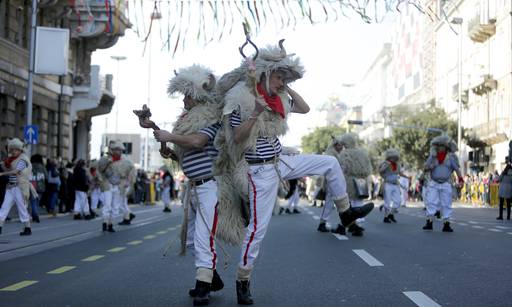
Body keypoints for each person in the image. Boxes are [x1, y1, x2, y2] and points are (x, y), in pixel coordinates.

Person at [216, 41, 373, 305]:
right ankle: (243, 280)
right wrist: (255, 113)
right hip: (257, 171)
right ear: (265, 73)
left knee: (330, 164)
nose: (282, 83)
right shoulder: (239, 99)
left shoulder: (278, 98)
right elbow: (238, 138)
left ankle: (346, 213)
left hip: (281, 159)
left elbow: (304, 108)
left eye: (285, 79)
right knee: (258, 230)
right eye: (279, 76)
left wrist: (286, 85)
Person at [152, 64, 224, 306]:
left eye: (188, 95)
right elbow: (183, 153)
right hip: (192, 188)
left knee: (204, 237)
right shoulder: (188, 124)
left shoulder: (213, 120)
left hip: (209, 187)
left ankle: (203, 286)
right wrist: (167, 146)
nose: (184, 100)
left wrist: (170, 137)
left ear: (199, 97)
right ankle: (211, 278)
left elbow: (198, 142)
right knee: (193, 239)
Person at [422, 136, 463, 232]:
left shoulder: (451, 158)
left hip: (446, 183)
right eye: (439, 146)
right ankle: (429, 222)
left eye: (442, 146)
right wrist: (431, 166)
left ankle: (446, 224)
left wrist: (461, 180)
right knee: (431, 202)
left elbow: (457, 169)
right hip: (434, 183)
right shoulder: (432, 157)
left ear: (446, 147)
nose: (440, 148)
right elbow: (425, 168)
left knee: (447, 204)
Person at [97, 141, 136, 232]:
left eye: (120, 150)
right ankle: (105, 222)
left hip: (119, 186)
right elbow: (100, 170)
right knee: (107, 205)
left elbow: (132, 172)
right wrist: (107, 163)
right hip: (108, 185)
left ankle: (111, 224)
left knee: (115, 207)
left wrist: (129, 181)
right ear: (112, 150)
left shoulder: (127, 162)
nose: (118, 151)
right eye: (116, 149)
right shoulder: (105, 159)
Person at [0, 138, 35, 235]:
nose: (13, 151)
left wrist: (3, 174)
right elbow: (5, 165)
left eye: (15, 149)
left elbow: (16, 171)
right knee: (4, 207)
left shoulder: (23, 159)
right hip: (11, 188)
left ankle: (27, 228)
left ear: (20, 150)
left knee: (22, 208)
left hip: (20, 188)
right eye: (12, 149)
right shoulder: (10, 160)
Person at [379, 149, 407, 223]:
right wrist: (386, 166)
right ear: (389, 157)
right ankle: (386, 217)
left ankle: (391, 214)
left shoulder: (397, 164)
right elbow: (381, 171)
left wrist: (406, 177)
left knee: (398, 201)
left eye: (395, 157)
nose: (394, 159)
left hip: (395, 185)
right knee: (387, 201)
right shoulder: (385, 163)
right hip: (388, 184)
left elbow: (399, 173)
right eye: (392, 157)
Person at [29, 154, 47, 223]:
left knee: (33, 201)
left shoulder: (30, 166)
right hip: (41, 186)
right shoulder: (42, 167)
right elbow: (46, 176)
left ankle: (35, 215)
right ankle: (35, 214)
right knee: (37, 201)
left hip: (32, 185)